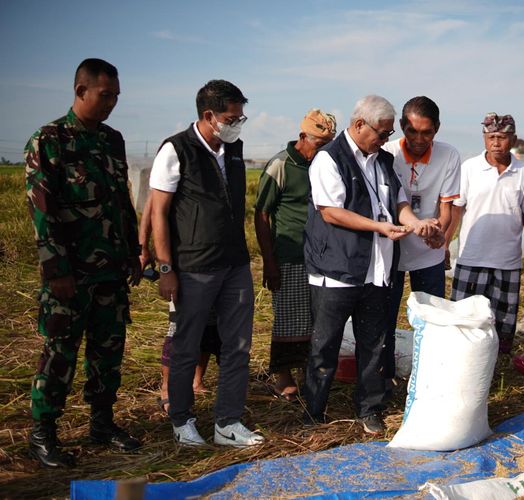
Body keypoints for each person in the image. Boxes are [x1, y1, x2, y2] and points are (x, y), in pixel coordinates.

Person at [25, 58, 142, 467]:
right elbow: (43, 213)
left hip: (110, 271)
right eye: (104, 95)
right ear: (80, 91)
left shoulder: (113, 140)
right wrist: (56, 271)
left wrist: (132, 252)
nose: (111, 103)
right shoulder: (50, 140)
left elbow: (122, 203)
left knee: (107, 353)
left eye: (115, 97)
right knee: (60, 354)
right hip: (70, 276)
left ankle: (102, 424)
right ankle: (42, 434)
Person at [303, 95, 441, 435]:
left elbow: (399, 201)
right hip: (337, 270)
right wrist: (379, 226)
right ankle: (312, 414)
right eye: (381, 132)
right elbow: (331, 211)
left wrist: (416, 223)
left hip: (378, 270)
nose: (385, 139)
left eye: (387, 133)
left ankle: (370, 409)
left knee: (375, 344)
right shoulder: (329, 159)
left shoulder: (382, 160)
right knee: (325, 345)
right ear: (359, 124)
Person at [149, 80, 263, 447]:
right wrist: (166, 268)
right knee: (187, 344)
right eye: (232, 117)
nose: (237, 124)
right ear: (208, 116)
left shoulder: (233, 148)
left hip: (234, 264)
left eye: (241, 117)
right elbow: (159, 214)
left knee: (238, 345)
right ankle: (182, 420)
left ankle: (228, 422)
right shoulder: (176, 150)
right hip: (194, 267)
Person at [255, 109, 337, 400]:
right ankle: (282, 376)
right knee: (289, 317)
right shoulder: (281, 164)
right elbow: (262, 214)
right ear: (303, 136)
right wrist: (269, 262)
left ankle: (308, 373)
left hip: (321, 255)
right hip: (289, 253)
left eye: (328, 143)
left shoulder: (325, 164)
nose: (322, 149)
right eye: (318, 143)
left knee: (316, 319)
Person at [381, 96, 460, 382]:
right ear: (402, 126)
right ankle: (385, 378)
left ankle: (429, 378)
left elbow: (447, 208)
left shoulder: (449, 155)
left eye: (426, 132)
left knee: (432, 319)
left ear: (437, 129)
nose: (418, 138)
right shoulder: (387, 152)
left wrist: (441, 235)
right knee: (385, 319)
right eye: (411, 130)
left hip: (429, 251)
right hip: (392, 249)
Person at [445, 113, 524, 355]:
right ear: (484, 138)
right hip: (470, 258)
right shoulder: (469, 169)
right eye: (491, 137)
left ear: (514, 139)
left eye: (502, 137)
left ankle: (498, 366)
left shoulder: (523, 173)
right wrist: (445, 244)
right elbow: (456, 210)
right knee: (464, 319)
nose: (496, 142)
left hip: (507, 262)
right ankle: (463, 361)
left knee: (503, 323)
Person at [138, 194, 221, 413]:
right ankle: (167, 388)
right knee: (179, 327)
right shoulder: (173, 161)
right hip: (184, 262)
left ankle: (197, 379)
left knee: (211, 324)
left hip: (215, 259)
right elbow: (153, 206)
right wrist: (143, 247)